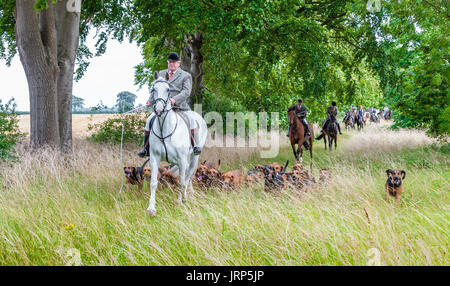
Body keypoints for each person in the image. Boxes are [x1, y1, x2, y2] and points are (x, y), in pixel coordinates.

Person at [137, 52, 202, 157]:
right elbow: (155, 89)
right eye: (169, 62)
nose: (171, 64)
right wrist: (150, 100)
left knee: (192, 120)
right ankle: (146, 148)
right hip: (162, 107)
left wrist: (174, 99)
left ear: (179, 63)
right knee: (149, 120)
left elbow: (186, 92)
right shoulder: (161, 74)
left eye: (173, 62)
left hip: (180, 106)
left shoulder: (186, 76)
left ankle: (195, 145)